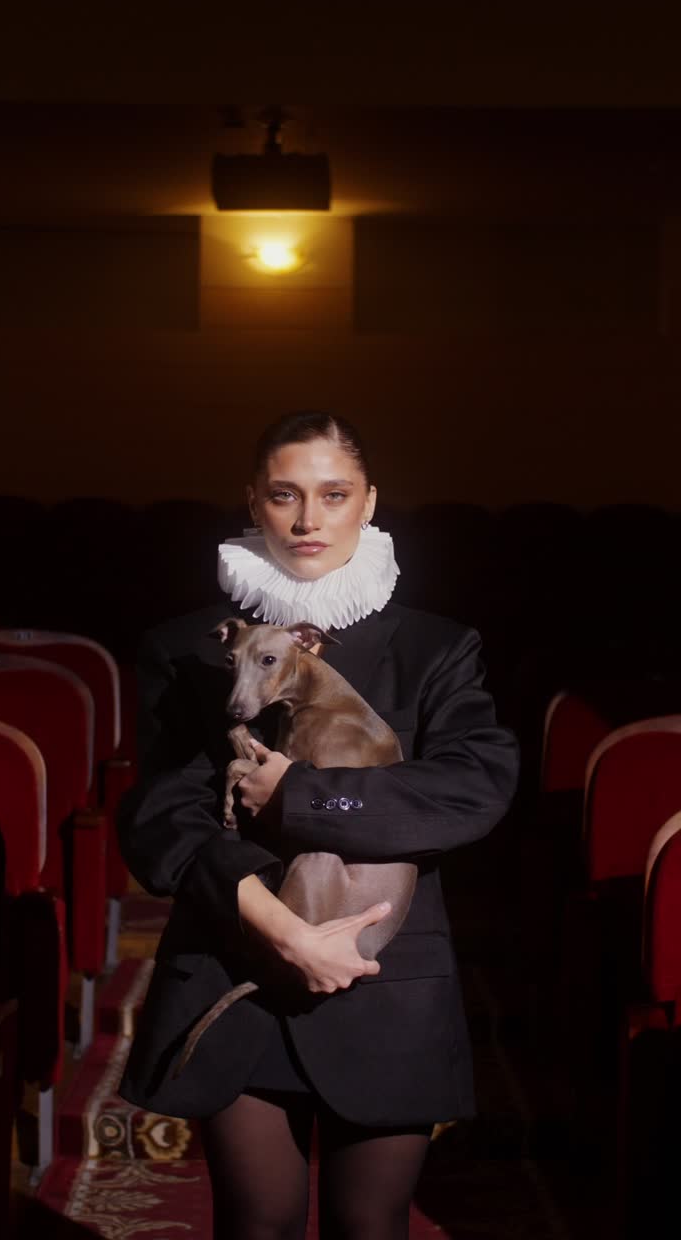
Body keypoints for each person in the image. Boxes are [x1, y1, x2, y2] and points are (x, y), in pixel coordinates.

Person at [116, 411, 519, 1240]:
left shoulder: (435, 648)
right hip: (238, 953)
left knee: (369, 1225)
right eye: (285, 495)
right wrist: (276, 927)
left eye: (333, 495)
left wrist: (299, 797)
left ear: (367, 503)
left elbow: (473, 790)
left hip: (382, 975)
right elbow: (162, 819)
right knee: (257, 1221)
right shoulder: (191, 646)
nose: (307, 521)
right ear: (253, 503)